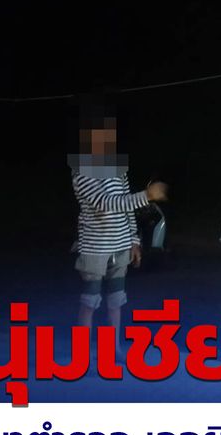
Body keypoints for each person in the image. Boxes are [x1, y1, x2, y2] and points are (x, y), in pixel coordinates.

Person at [70, 99, 167, 356]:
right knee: (90, 301)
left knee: (116, 300)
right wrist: (146, 195)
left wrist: (134, 240)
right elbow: (106, 204)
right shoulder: (81, 170)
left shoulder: (116, 167)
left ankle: (114, 349)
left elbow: (126, 206)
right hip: (95, 247)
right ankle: (81, 355)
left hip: (120, 245)